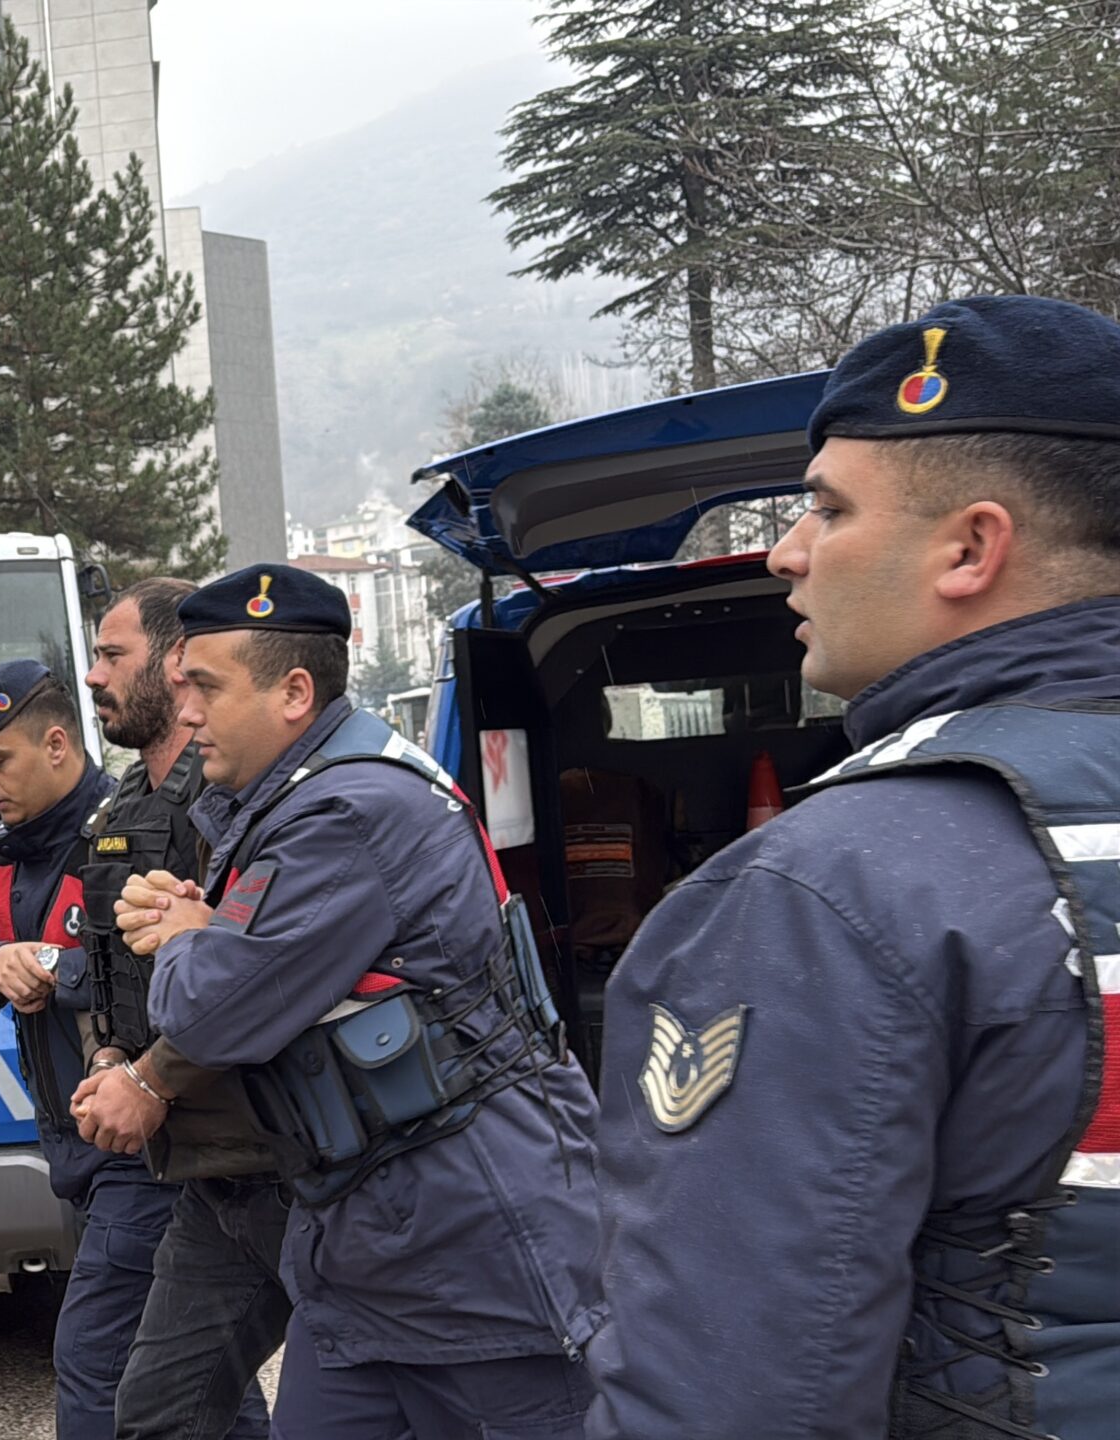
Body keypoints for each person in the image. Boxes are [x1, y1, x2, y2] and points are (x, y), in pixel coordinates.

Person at [589, 295, 1120, 1440]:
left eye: (827, 509)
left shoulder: (827, 892)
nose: (784, 552)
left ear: (969, 548)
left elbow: (729, 1398)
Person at [108, 565, 602, 1440]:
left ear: (294, 693)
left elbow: (206, 1013)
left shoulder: (347, 813)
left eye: (206, 688)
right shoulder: (305, 798)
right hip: (365, 1248)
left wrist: (185, 937)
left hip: (470, 1248)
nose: (185, 714)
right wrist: (206, 931)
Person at [0, 660, 267, 1440]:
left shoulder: (124, 833)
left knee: (97, 1359)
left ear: (56, 745)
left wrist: (55, 968)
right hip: (78, 1150)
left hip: (140, 1146)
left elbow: (166, 977)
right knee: (206, 1377)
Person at [64, 580, 290, 1427]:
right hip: (192, 1163)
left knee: (367, 1384)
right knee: (165, 1404)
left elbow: (258, 983)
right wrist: (107, 1056)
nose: (94, 675)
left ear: (174, 664)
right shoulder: (120, 809)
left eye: (112, 655)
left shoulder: (242, 803)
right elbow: (104, 966)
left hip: (277, 1153)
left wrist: (149, 1082)